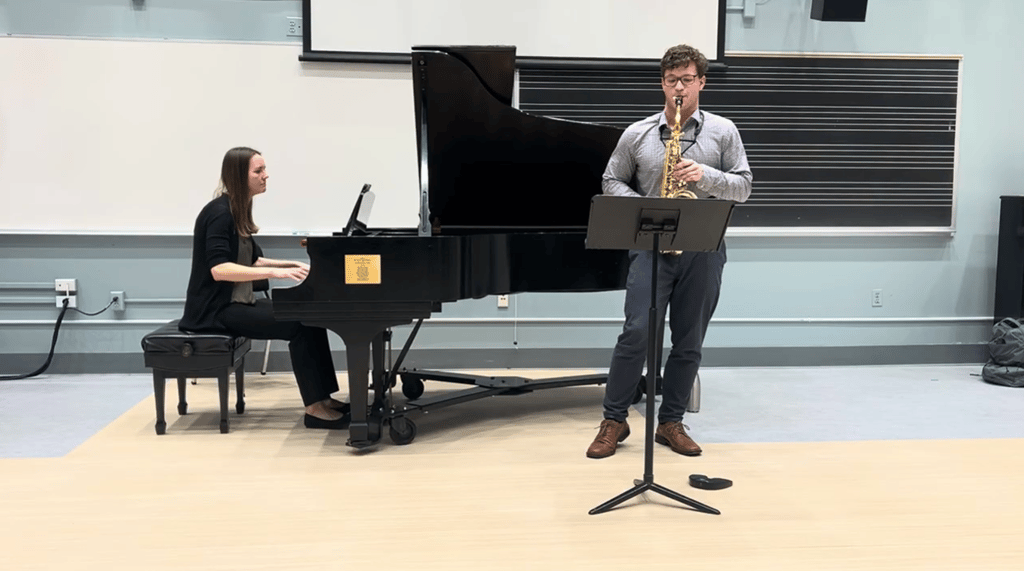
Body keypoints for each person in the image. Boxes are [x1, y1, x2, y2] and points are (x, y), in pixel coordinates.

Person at [586, 45, 753, 459]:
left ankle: (671, 421)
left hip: (704, 249)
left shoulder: (723, 131)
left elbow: (744, 186)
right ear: (662, 83)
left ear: (701, 82)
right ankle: (614, 419)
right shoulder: (637, 134)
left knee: (689, 340)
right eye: (672, 80)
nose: (679, 88)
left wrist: (707, 175)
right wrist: (642, 203)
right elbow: (611, 180)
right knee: (636, 333)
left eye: (687, 80)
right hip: (650, 248)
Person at [179, 146, 349, 429]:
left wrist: (289, 266)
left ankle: (324, 397)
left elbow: (253, 260)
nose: (265, 176)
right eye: (258, 171)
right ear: (237, 175)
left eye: (264, 169)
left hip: (237, 303)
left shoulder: (236, 210)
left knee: (310, 315)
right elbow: (219, 270)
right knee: (297, 324)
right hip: (215, 311)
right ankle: (314, 409)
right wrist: (276, 273)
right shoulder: (220, 214)